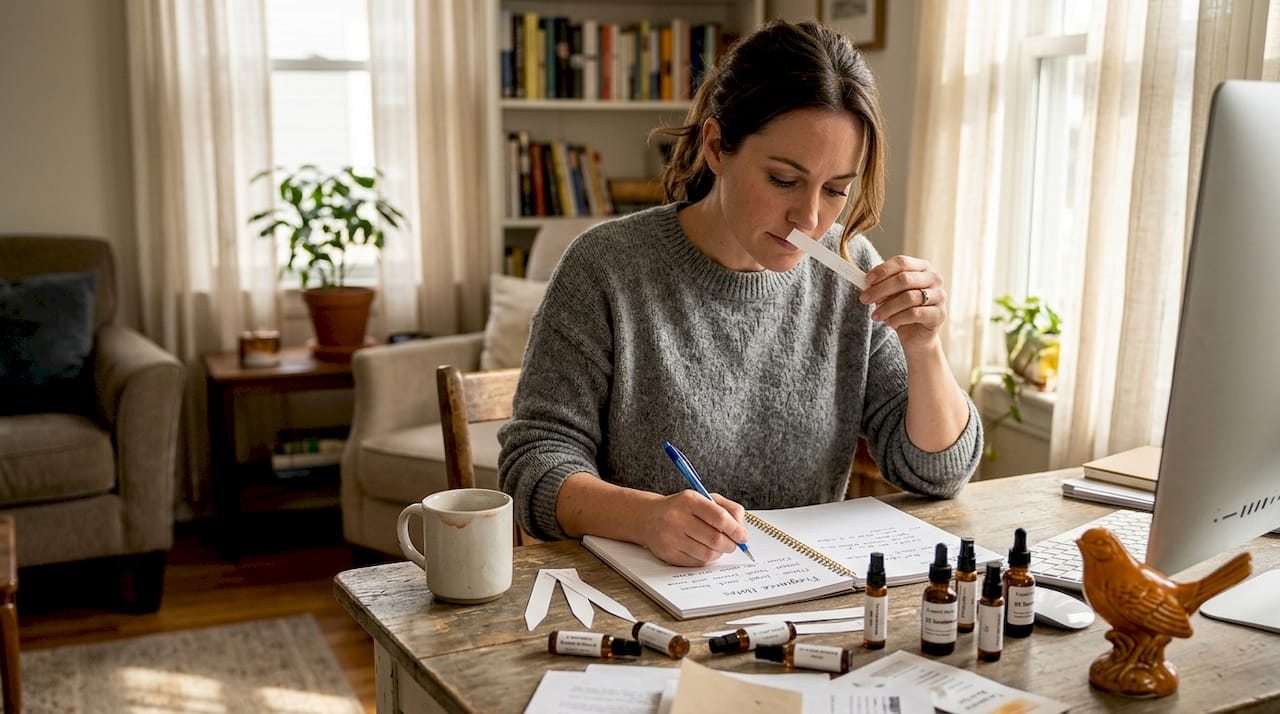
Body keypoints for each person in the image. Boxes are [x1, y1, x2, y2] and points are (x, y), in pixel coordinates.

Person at [499, 19, 981, 567]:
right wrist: (645, 518)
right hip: (639, 600)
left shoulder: (852, 270)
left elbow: (938, 473)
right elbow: (533, 465)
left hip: (804, 600)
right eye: (783, 180)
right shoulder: (606, 268)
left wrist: (925, 349)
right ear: (716, 146)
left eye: (837, 190)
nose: (811, 217)